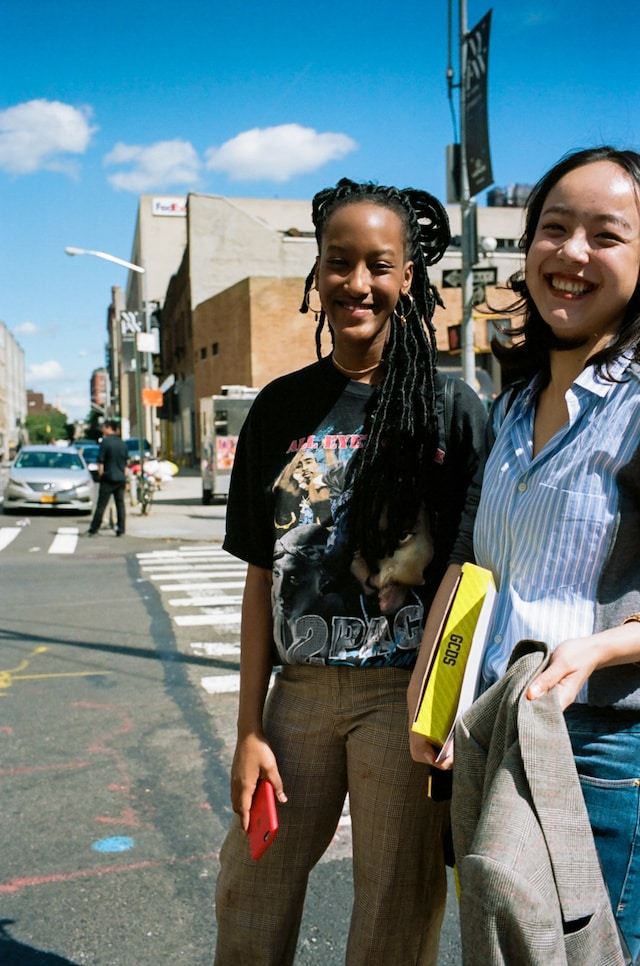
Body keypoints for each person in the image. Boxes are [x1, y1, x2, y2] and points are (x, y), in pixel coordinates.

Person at [214, 178, 487, 965]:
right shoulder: (279, 408)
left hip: (401, 696)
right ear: (318, 273)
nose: (356, 283)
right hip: (296, 696)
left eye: (378, 264)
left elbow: (472, 573)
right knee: (250, 888)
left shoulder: (450, 408)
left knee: (395, 913)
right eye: (339, 262)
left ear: (409, 277)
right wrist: (249, 728)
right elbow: (261, 576)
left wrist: (441, 712)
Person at [409, 146, 640, 961]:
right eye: (555, 228)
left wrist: (601, 648)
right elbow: (475, 572)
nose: (573, 253)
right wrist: (433, 700)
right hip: (494, 733)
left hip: (604, 751)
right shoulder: (513, 407)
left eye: (606, 236)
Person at [87, 419, 129, 537]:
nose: (102, 430)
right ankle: (121, 529)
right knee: (120, 504)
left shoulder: (105, 443)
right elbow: (126, 464)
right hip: (120, 478)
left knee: (101, 505)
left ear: (109, 428)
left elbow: (101, 462)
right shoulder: (123, 443)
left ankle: (94, 528)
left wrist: (101, 475)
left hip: (108, 478)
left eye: (104, 427)